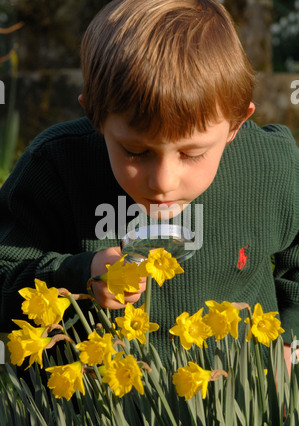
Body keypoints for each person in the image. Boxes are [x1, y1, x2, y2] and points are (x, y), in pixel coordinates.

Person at [0, 0, 298, 370]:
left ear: (236, 123)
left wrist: (289, 341)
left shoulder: (268, 168)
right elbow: (5, 274)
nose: (163, 182)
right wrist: (78, 275)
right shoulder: (56, 166)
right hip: (94, 417)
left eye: (191, 154)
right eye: (136, 152)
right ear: (95, 117)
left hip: (232, 412)